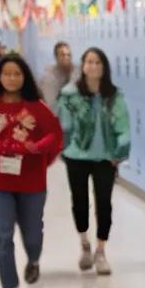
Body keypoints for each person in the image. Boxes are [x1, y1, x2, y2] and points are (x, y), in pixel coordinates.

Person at [0, 52, 63, 288]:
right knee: (2, 235)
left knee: (32, 231)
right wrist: (0, 147)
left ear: (24, 77)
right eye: (6, 73)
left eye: (17, 74)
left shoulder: (37, 108)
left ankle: (33, 260)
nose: (11, 79)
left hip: (31, 179)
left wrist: (34, 148)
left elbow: (54, 136)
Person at [58, 47, 130, 276]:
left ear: (104, 67)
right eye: (89, 62)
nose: (94, 66)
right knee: (79, 201)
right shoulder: (70, 94)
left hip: (105, 159)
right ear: (83, 65)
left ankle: (101, 251)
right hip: (76, 157)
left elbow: (123, 125)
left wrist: (119, 152)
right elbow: (64, 125)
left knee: (104, 204)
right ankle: (84, 244)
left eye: (98, 62)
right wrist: (62, 147)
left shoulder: (113, 95)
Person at [39, 40, 74, 109]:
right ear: (56, 57)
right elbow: (51, 104)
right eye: (63, 55)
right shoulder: (49, 77)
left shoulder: (75, 72)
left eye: (68, 55)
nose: (66, 58)